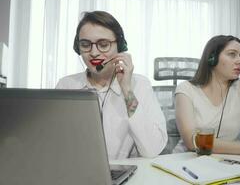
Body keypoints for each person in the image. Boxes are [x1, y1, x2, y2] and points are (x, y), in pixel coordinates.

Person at [56, 11, 168, 160]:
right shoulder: (66, 85)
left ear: (120, 46)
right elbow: (55, 143)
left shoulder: (140, 85)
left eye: (103, 45)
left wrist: (127, 89)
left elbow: (152, 149)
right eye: (85, 44)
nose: (94, 52)